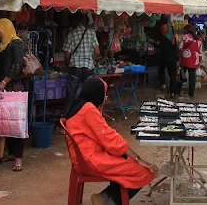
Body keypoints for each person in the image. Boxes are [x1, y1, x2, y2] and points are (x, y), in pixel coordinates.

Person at [65, 77, 158, 205]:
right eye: (104, 94)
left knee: (126, 159)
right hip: (91, 159)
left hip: (85, 157)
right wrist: (139, 159)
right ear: (96, 94)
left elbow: (100, 130)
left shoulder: (81, 105)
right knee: (144, 171)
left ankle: (104, 197)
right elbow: (109, 138)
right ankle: (109, 200)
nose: (106, 97)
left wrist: (100, 106)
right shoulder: (88, 110)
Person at [0, 18, 28, 172]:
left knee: (17, 121)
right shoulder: (2, 45)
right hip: (5, 88)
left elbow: (17, 66)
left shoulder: (16, 43)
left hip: (14, 87)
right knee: (7, 121)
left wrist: (4, 82)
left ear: (5, 29)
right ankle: (12, 152)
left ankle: (18, 159)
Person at [64, 12, 100, 118]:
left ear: (74, 21)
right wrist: (91, 61)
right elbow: (97, 51)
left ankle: (67, 118)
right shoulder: (91, 33)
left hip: (75, 67)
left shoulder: (72, 34)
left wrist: (67, 65)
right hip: (88, 67)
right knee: (88, 94)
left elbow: (67, 55)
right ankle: (89, 117)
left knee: (71, 94)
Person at [155, 15, 178, 98]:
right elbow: (176, 47)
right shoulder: (173, 35)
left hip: (165, 57)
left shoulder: (163, 38)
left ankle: (163, 84)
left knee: (161, 70)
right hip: (172, 58)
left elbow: (161, 47)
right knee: (172, 75)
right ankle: (173, 92)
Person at [179, 24, 203, 98]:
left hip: (185, 59)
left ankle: (177, 91)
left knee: (181, 76)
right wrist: (199, 60)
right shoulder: (199, 39)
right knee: (192, 78)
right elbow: (200, 51)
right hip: (194, 60)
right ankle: (191, 94)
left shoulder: (185, 37)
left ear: (187, 30)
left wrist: (182, 53)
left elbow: (180, 47)